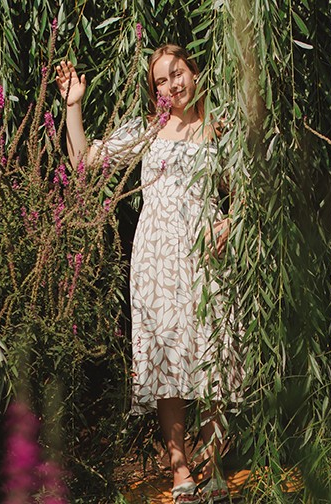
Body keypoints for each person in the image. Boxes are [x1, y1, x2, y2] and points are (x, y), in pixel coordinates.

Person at [56, 44, 237, 503]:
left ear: (194, 72)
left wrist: (229, 223)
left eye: (178, 73)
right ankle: (180, 471)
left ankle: (216, 467)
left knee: (211, 355)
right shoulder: (147, 128)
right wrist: (73, 106)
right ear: (154, 89)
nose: (172, 85)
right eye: (161, 80)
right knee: (165, 361)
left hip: (204, 257)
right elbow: (84, 163)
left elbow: (245, 191)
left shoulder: (219, 128)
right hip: (157, 258)